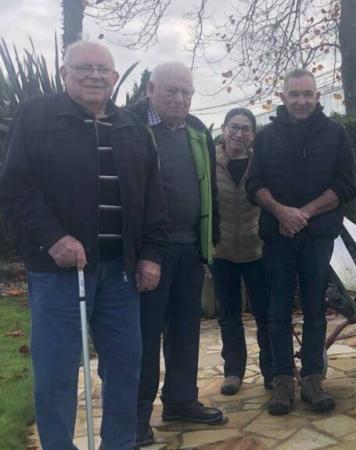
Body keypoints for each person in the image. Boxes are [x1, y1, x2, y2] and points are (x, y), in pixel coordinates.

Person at [0, 41, 168, 450]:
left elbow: (153, 198)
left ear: (114, 78)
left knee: (126, 365)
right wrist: (53, 238)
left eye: (102, 69)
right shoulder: (37, 116)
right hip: (60, 272)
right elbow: (15, 186)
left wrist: (150, 255)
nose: (95, 75)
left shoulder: (132, 127)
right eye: (84, 68)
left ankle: (120, 443)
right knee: (57, 370)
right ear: (64, 72)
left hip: (120, 272)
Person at [246, 68, 356, 416]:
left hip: (318, 237)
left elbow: (346, 185)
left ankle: (312, 378)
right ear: (283, 97)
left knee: (314, 309)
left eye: (308, 94)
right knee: (277, 311)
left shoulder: (336, 134)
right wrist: (281, 213)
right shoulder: (265, 138)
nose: (301, 100)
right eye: (294, 94)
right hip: (277, 237)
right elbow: (254, 186)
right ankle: (282, 380)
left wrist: (303, 213)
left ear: (318, 97)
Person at [128, 62, 222, 446]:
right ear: (151, 89)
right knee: (144, 337)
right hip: (148, 254)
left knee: (185, 330)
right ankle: (136, 417)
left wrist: (209, 241)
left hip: (190, 250)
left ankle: (181, 400)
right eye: (171, 90)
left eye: (186, 92)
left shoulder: (198, 130)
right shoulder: (129, 126)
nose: (179, 99)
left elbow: (209, 189)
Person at [212, 107, 272, 395]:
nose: (239, 133)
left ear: (252, 134)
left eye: (245, 128)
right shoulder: (209, 161)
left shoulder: (260, 162)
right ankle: (233, 371)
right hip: (221, 250)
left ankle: (271, 371)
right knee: (229, 314)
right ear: (224, 129)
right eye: (234, 127)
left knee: (265, 313)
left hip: (256, 249)